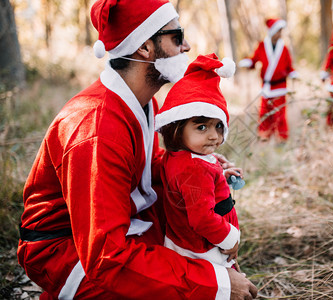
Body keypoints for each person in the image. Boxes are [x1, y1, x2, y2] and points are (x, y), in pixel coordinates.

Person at [17, 0, 257, 299]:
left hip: (121, 224)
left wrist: (190, 166)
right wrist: (216, 285)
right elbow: (105, 257)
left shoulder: (144, 102)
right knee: (198, 283)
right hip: (68, 251)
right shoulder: (96, 128)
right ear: (145, 47)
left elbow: (138, 166)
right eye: (177, 36)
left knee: (200, 226)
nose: (187, 46)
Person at [155, 53, 244, 269]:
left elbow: (192, 193)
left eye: (218, 126)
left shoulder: (180, 156)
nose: (213, 135)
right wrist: (230, 239)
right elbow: (202, 218)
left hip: (185, 242)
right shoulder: (195, 168)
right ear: (176, 128)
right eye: (201, 127)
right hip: (205, 249)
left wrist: (220, 176)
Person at [238, 18, 298, 142]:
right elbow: (254, 60)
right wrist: (248, 63)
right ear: (272, 32)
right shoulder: (261, 46)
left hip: (280, 86)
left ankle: (281, 138)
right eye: (278, 31)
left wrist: (292, 73)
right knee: (265, 113)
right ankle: (265, 135)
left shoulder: (284, 48)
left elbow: (289, 66)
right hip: (266, 87)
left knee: (280, 114)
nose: (280, 34)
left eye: (281, 31)